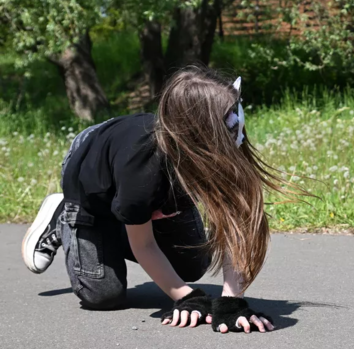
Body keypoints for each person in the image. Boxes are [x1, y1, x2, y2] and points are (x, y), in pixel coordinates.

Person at [22, 67, 291, 334]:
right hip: (92, 182)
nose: (239, 127)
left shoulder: (225, 141)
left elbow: (237, 225)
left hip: (151, 188)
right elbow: (145, 244)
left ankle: (128, 217)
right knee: (103, 295)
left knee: (192, 265)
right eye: (230, 123)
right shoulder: (142, 175)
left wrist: (232, 302)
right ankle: (62, 214)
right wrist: (186, 298)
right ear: (200, 132)